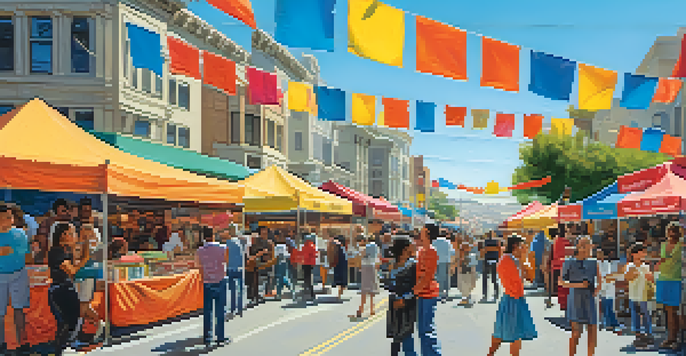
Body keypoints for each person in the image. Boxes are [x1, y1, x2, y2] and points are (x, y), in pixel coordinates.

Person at [487, 234, 537, 356]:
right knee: (502, 333)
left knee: (516, 334)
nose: (524, 248)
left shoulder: (516, 260)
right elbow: (516, 282)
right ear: (515, 246)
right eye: (522, 246)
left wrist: (524, 261)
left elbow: (531, 278)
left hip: (517, 299)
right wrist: (522, 261)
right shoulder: (506, 260)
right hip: (511, 298)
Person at [48, 223, 89, 355]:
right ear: (63, 235)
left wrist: (84, 247)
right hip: (60, 290)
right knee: (66, 322)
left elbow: (75, 265)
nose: (74, 236)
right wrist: (85, 257)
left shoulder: (65, 250)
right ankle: (61, 349)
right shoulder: (56, 252)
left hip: (66, 288)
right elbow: (71, 270)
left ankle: (66, 346)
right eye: (71, 233)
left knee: (71, 320)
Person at [561, 237, 600, 356]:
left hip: (589, 298)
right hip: (575, 298)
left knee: (592, 329)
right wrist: (579, 285)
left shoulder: (593, 262)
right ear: (578, 246)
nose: (588, 246)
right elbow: (561, 282)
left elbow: (599, 279)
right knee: (576, 332)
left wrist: (597, 289)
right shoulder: (569, 262)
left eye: (589, 243)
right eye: (584, 244)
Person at [0, 204, 31, 354]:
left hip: (19, 274)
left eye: (10, 216)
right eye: (6, 217)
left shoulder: (20, 233)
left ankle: (23, 343)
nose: (10, 219)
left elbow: (17, 251)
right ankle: (1, 344)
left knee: (19, 309)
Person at [196, 226, 229, 346]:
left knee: (207, 311)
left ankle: (207, 337)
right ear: (213, 235)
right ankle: (220, 337)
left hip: (207, 282)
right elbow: (226, 262)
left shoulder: (200, 250)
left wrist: (203, 278)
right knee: (220, 310)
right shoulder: (223, 248)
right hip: (220, 280)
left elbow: (199, 267)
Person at [385, 235, 417, 356]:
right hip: (394, 303)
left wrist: (405, 299)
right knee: (396, 336)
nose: (413, 247)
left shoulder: (413, 265)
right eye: (410, 245)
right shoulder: (392, 265)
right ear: (404, 249)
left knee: (406, 334)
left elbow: (416, 286)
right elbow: (388, 284)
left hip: (407, 304)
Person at [414, 223, 442, 355]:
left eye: (423, 230)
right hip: (422, 293)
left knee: (426, 329)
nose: (420, 232)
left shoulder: (431, 251)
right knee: (422, 329)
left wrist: (415, 291)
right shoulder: (421, 250)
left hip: (428, 294)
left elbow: (427, 276)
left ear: (428, 233)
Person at [656, 221, 682, 350]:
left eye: (674, 231)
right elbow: (661, 260)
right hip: (663, 279)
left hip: (676, 279)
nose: (671, 233)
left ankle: (676, 338)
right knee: (668, 311)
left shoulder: (682, 245)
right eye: (669, 231)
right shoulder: (663, 244)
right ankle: (671, 337)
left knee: (676, 311)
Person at [623, 243, 654, 350]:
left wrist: (650, 277)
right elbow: (628, 277)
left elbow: (651, 279)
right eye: (642, 251)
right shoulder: (630, 266)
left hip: (644, 295)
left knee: (646, 314)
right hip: (634, 295)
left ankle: (648, 333)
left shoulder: (646, 266)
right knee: (635, 314)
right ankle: (638, 334)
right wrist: (633, 273)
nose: (644, 254)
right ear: (634, 254)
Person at [352, 235, 380, 318]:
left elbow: (361, 255)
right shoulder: (376, 247)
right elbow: (377, 258)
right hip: (372, 266)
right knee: (372, 288)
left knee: (364, 288)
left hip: (365, 266)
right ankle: (372, 308)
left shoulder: (367, 246)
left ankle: (361, 308)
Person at [597, 248, 621, 331]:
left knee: (610, 307)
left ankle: (613, 323)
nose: (598, 255)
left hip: (608, 286)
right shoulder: (596, 263)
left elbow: (607, 274)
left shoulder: (607, 263)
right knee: (604, 307)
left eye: (600, 253)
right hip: (601, 287)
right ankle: (607, 323)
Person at [224, 230, 245, 319]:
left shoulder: (227, 243)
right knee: (240, 289)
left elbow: (226, 256)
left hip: (230, 268)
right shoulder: (241, 241)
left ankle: (232, 308)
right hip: (240, 268)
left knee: (232, 289)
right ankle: (240, 308)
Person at [432, 233, 454, 303]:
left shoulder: (434, 242)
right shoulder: (447, 242)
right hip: (445, 261)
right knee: (445, 278)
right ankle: (445, 293)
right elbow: (452, 252)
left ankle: (438, 293)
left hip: (436, 261)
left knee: (437, 277)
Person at [481, 232, 500, 302]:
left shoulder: (486, 241)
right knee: (494, 278)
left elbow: (484, 250)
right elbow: (499, 249)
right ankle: (496, 292)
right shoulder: (496, 241)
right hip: (494, 260)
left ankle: (485, 294)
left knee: (485, 278)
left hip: (487, 260)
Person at [457, 241, 477, 305]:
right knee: (464, 286)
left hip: (468, 273)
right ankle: (466, 298)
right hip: (464, 273)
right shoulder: (461, 258)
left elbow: (473, 266)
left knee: (466, 286)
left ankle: (466, 298)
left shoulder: (471, 256)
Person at [274, 236, 293, 301]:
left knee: (280, 279)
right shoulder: (284, 246)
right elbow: (288, 256)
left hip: (278, 263)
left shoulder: (276, 247)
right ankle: (291, 291)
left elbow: (275, 256)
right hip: (284, 263)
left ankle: (279, 294)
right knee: (283, 278)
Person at [300, 234, 318, 301]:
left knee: (306, 278)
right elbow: (314, 255)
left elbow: (302, 255)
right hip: (310, 264)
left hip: (305, 263)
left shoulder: (304, 246)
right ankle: (311, 293)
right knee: (309, 278)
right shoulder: (313, 246)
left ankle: (307, 292)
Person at [331, 235, 348, 300]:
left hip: (339, 264)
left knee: (340, 281)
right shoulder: (343, 248)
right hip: (342, 264)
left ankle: (339, 294)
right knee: (342, 281)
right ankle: (339, 294)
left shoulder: (339, 246)